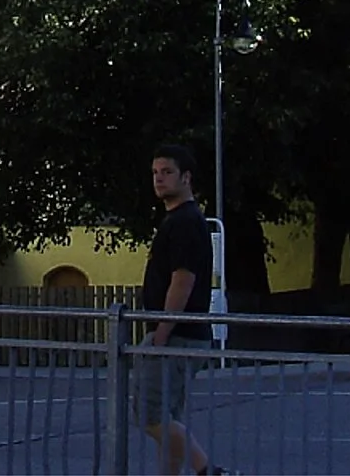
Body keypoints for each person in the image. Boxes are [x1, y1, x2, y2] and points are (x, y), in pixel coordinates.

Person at [136, 145, 230, 476]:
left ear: (186, 177)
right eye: (155, 173)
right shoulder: (178, 220)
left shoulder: (187, 222)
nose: (159, 179)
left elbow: (183, 281)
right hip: (181, 335)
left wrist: (162, 332)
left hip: (178, 336)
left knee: (149, 414)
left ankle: (208, 471)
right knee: (167, 415)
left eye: (167, 172)